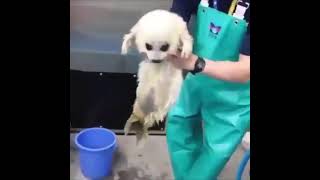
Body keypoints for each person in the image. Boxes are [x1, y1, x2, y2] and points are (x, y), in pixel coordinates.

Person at [166, 0, 250, 179]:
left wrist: (195, 63)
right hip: (197, 80)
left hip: (234, 96)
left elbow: (246, 71)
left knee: (216, 152)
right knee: (178, 123)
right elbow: (174, 20)